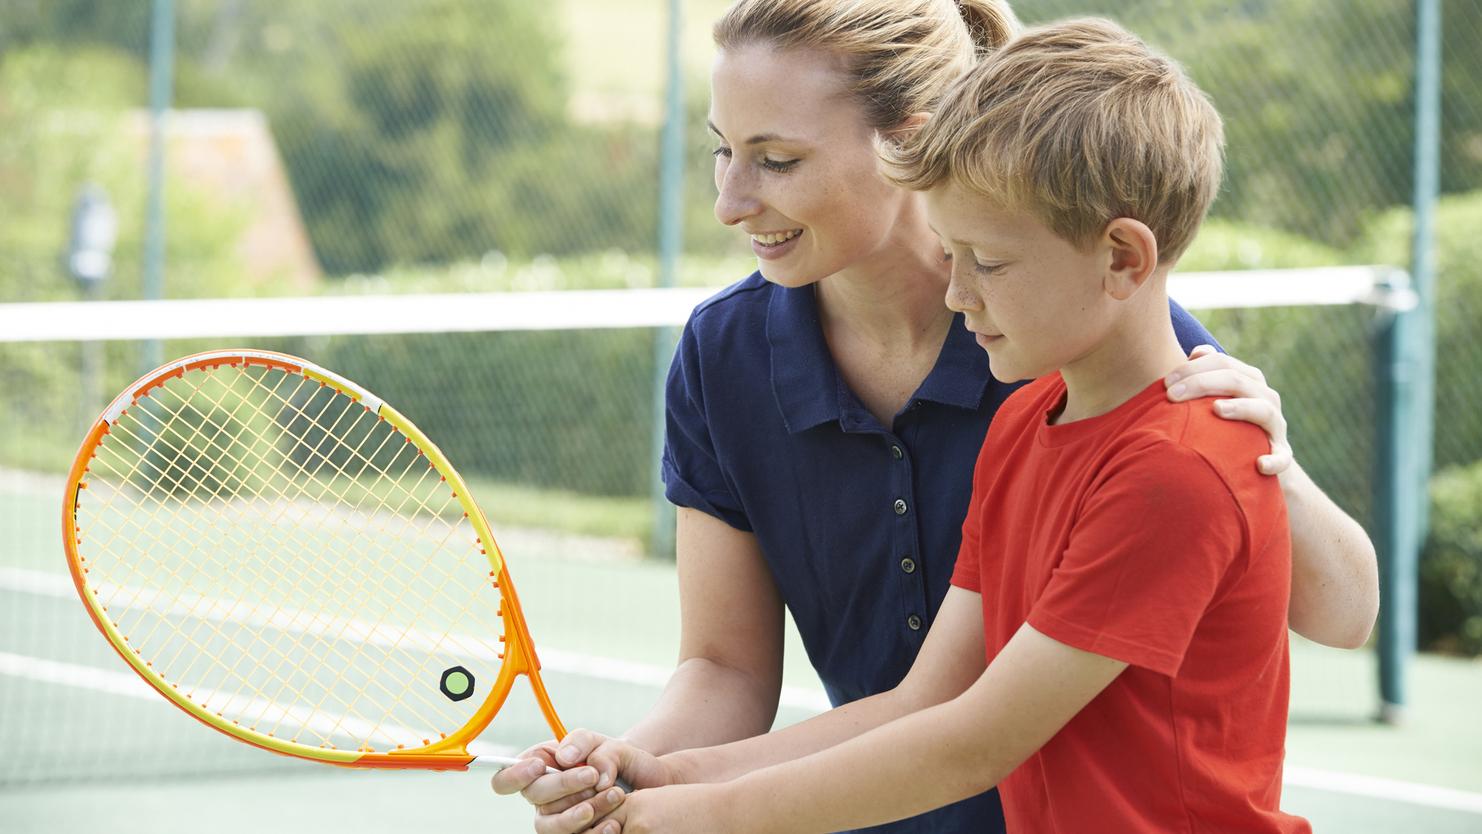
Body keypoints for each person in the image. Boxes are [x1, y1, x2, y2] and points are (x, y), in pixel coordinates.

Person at [493, 2, 1376, 832]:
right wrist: (650, 772)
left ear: (904, 145)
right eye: (721, 151)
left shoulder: (1112, 368)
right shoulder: (1018, 411)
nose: (730, 200)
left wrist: (1272, 462)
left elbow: (975, 736)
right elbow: (917, 698)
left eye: (779, 159)